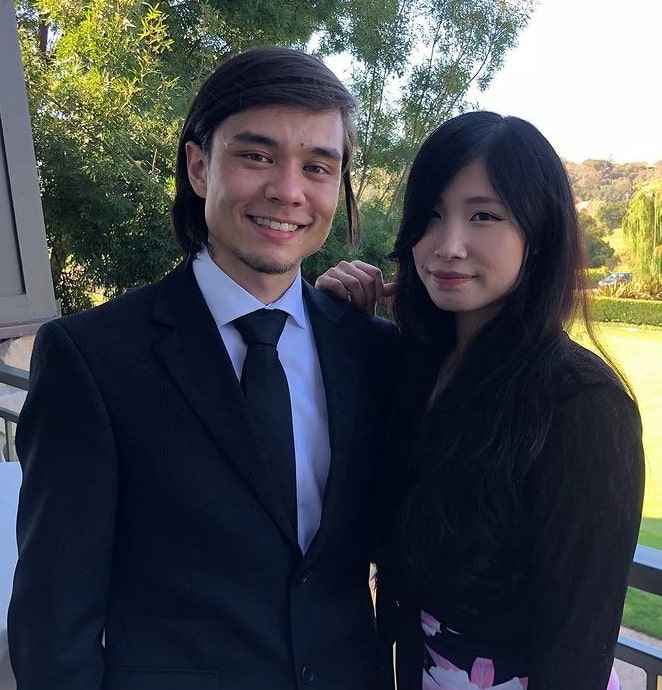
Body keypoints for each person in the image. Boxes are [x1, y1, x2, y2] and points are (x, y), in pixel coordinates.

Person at [8, 46, 395, 690]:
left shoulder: (370, 351)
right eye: (256, 154)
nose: (288, 190)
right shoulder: (92, 359)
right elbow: (53, 622)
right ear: (197, 165)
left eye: (317, 167)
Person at [316, 111, 645, 689]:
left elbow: (578, 648)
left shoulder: (582, 405)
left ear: (539, 234)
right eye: (432, 216)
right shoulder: (411, 364)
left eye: (484, 216)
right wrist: (336, 327)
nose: (448, 245)